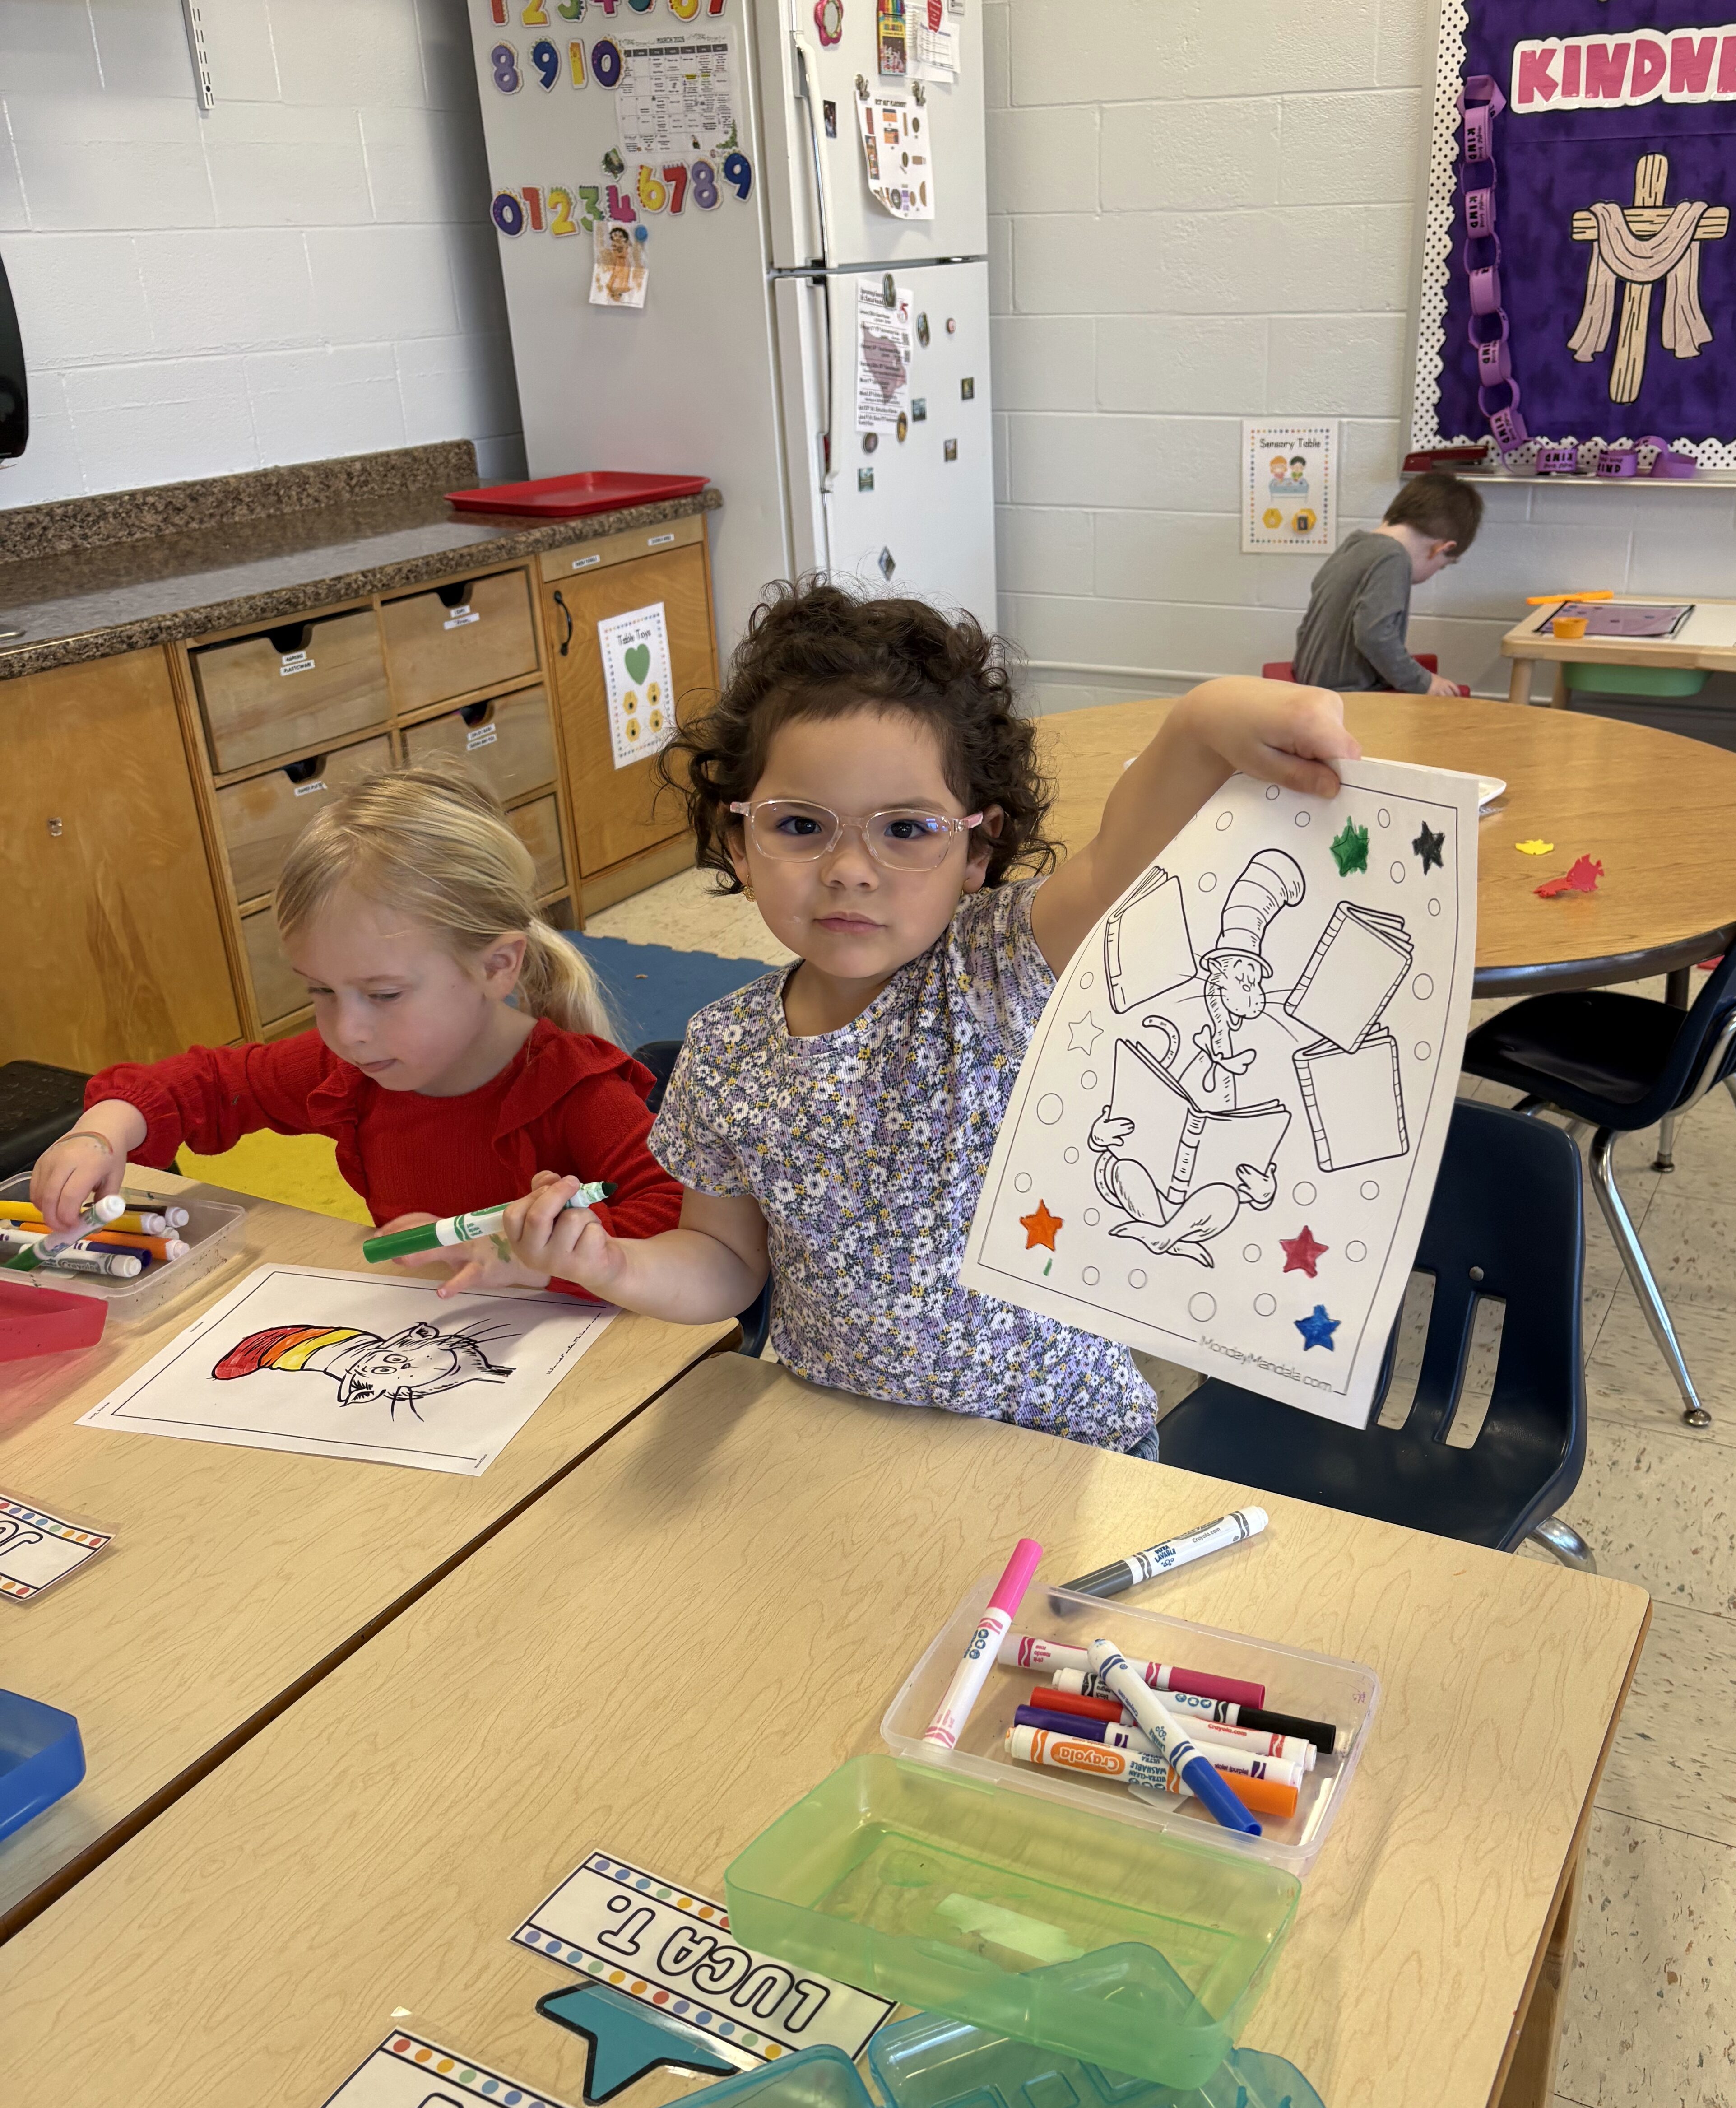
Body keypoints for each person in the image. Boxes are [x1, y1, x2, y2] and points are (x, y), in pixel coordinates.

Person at [488, 582, 1358, 1453]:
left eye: (905, 829)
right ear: (737, 840)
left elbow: (1115, 862)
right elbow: (725, 1262)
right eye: (800, 824)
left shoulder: (997, 964)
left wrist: (1199, 724)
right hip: (843, 1438)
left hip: (1055, 1437)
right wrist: (610, 1263)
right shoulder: (725, 1048)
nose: (849, 868)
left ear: (976, 848)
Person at [31, 768, 680, 1296]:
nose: (347, 1030)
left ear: (495, 967)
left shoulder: (575, 1089)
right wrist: (101, 1132)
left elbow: (679, 1224)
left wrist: (529, 1260)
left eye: (383, 994)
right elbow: (206, 1083)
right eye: (320, 990)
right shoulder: (349, 1069)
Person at [1291, 474, 1483, 697]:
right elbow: (1374, 636)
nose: (1436, 572)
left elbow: (1309, 622)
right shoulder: (1394, 558)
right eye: (1442, 566)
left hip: (1308, 679)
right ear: (1440, 549)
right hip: (1346, 694)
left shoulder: (1354, 544)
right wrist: (1424, 682)